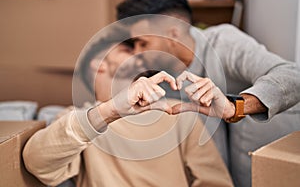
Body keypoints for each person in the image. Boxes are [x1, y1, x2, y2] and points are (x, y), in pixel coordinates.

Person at [23, 25, 233, 187]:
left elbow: (215, 182)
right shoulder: (79, 119)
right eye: (127, 49)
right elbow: (36, 163)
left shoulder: (177, 111)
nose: (141, 55)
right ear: (99, 63)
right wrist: (110, 111)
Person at [116, 0, 300, 123]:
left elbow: (293, 76)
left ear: (173, 33)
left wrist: (235, 107)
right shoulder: (161, 77)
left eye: (143, 43)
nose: (137, 53)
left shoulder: (224, 42)